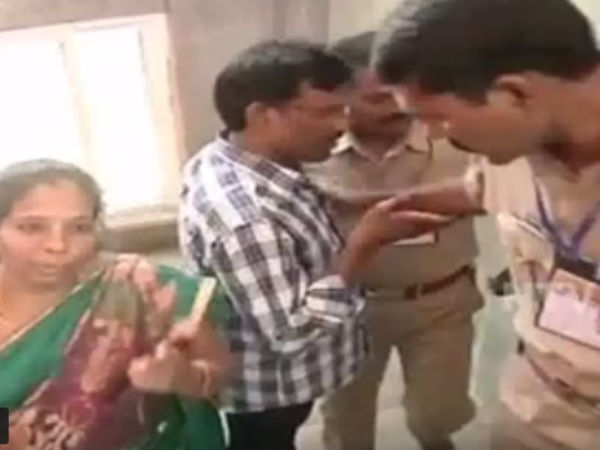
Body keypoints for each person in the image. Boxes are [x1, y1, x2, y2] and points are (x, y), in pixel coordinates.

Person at [178, 39, 450, 450]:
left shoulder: (229, 156)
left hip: (277, 383)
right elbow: (292, 333)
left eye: (343, 109)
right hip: (273, 391)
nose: (342, 125)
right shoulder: (247, 220)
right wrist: (363, 245)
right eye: (325, 112)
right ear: (262, 115)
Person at [372, 0, 600, 448]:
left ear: (514, 94)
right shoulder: (509, 148)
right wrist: (394, 207)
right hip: (534, 405)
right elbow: (479, 191)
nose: (433, 135)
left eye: (436, 117)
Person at [304, 31, 484, 450]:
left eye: (403, 93)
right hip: (351, 306)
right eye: (379, 99)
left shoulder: (455, 137)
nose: (400, 107)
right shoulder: (310, 152)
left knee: (436, 413)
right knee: (346, 420)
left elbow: (499, 193)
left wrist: (366, 203)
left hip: (441, 302)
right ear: (339, 101)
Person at [0, 159, 230, 450]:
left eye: (79, 227)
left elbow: (217, 375)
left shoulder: (140, 286)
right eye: (32, 227)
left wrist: (182, 377)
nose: (58, 245)